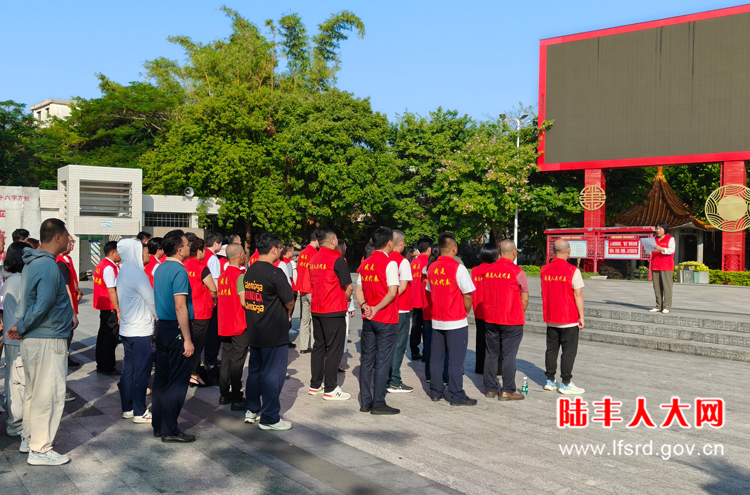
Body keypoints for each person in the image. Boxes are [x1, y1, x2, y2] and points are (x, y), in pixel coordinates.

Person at [10, 219, 75, 465]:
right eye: (66, 235)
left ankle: (30, 440)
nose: (68, 240)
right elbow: (43, 304)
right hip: (48, 338)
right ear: (57, 237)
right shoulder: (48, 265)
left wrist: (22, 325)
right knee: (48, 395)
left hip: (36, 338)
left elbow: (32, 302)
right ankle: (40, 449)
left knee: (34, 393)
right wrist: (22, 326)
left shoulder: (32, 262)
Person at [240, 233, 295, 430]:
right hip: (274, 332)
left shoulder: (250, 271)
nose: (281, 251)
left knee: (255, 372)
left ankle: (252, 409)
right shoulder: (275, 272)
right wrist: (288, 313)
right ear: (273, 249)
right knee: (273, 375)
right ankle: (270, 418)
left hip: (256, 330)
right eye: (280, 248)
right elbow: (289, 301)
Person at [152, 229, 196, 442]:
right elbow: (180, 306)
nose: (189, 247)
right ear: (179, 250)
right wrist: (187, 338)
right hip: (176, 329)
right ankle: (170, 429)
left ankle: (159, 425)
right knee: (177, 381)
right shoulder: (179, 271)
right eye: (187, 244)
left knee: (162, 378)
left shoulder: (160, 268)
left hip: (162, 328)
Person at [426, 233, 476, 406]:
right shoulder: (458, 268)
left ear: (440, 248)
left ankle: (435, 391)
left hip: (437, 319)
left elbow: (429, 292)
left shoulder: (431, 268)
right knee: (455, 359)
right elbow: (467, 295)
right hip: (456, 320)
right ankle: (456, 394)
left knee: (436, 358)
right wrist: (465, 311)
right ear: (454, 249)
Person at [356, 227, 401, 415]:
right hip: (386, 318)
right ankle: (379, 402)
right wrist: (376, 308)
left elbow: (358, 289)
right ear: (390, 243)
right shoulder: (390, 263)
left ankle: (366, 401)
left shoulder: (365, 263)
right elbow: (392, 292)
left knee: (367, 360)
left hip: (369, 319)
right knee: (383, 361)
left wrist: (365, 305)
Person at [308, 227, 353, 401]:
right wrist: (346, 300)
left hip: (317, 308)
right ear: (333, 241)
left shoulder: (313, 259)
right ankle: (331, 388)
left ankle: (315, 385)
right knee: (334, 349)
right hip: (333, 309)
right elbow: (348, 287)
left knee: (319, 347)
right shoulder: (337, 260)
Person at [116, 238, 157, 424]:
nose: (148, 254)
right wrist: (160, 318)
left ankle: (128, 408)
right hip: (141, 330)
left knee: (129, 369)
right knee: (142, 371)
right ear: (136, 253)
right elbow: (152, 301)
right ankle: (140, 411)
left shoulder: (123, 271)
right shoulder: (139, 275)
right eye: (145, 251)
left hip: (127, 329)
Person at [482, 241, 529, 401]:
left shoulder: (488, 270)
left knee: (491, 354)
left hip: (491, 318)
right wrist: (519, 311)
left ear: (499, 252)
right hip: (511, 319)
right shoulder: (518, 272)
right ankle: (507, 390)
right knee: (509, 355)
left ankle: (490, 389)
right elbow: (525, 298)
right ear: (514, 253)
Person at [541, 239, 586, 395]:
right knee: (568, 352)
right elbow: (578, 294)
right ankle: (566, 383)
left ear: (553, 252)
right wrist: (581, 316)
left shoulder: (544, 270)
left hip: (551, 316)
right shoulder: (573, 270)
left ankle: (550, 380)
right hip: (568, 317)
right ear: (568, 251)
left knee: (551, 350)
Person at [184, 235, 218, 387]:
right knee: (198, 345)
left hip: (186, 310)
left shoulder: (183, 265)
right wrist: (214, 299)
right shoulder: (201, 268)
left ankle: (188, 371)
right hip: (201, 311)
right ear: (198, 251)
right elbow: (213, 289)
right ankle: (193, 373)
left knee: (188, 342)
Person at [218, 244, 249, 409]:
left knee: (226, 358)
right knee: (237, 360)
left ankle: (224, 394)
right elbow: (243, 301)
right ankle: (237, 397)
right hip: (238, 324)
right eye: (243, 253)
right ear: (239, 255)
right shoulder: (239, 276)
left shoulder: (222, 276)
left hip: (225, 323)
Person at [2, 242, 28, 437]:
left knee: (14, 381)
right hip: (16, 338)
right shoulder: (19, 280)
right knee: (17, 383)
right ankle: (16, 424)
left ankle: (15, 422)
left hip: (12, 338)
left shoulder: (11, 278)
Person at [386, 230, 414, 394]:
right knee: (399, 345)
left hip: (386, 308)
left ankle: (385, 378)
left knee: (387, 345)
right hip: (401, 308)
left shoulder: (385, 258)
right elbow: (402, 287)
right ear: (401, 244)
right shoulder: (403, 262)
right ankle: (394, 381)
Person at [472, 243, 500, 375]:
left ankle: (479, 367)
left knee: (480, 338)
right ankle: (495, 368)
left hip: (478, 309)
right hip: (492, 309)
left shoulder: (475, 270)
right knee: (494, 341)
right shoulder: (495, 270)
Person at [423, 245, 449, 386]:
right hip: (440, 312)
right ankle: (445, 375)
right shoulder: (442, 270)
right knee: (444, 347)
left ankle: (429, 374)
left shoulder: (426, 270)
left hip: (428, 311)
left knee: (429, 345)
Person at [94, 241, 121, 374]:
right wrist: (118, 310)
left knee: (103, 335)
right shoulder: (109, 268)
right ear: (113, 252)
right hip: (110, 307)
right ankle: (108, 366)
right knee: (110, 337)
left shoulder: (101, 265)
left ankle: (101, 364)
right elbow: (111, 290)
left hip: (105, 306)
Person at [56, 235, 82, 368]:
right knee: (68, 329)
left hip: (71, 298)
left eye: (73, 242)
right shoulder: (59, 262)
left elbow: (71, 279)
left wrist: (77, 290)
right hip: (66, 302)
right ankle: (64, 355)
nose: (72, 244)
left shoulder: (68, 259)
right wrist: (73, 312)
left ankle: (66, 353)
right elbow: (66, 287)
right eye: (69, 242)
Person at [295, 231, 319, 353]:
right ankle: (315, 345)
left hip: (303, 289)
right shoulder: (315, 254)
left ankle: (303, 347)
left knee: (304, 319)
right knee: (314, 319)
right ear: (316, 240)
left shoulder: (302, 253)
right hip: (312, 289)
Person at [409, 237, 432, 361]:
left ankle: (414, 351)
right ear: (429, 249)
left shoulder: (413, 263)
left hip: (415, 299)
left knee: (415, 326)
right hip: (426, 301)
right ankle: (426, 353)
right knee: (427, 327)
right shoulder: (430, 262)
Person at [203, 232, 223, 366]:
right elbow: (215, 282)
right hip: (210, 298)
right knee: (213, 331)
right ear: (215, 243)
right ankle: (210, 358)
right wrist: (216, 299)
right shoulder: (213, 259)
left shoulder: (202, 254)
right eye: (220, 244)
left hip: (201, 297)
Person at [650, 221, 675, 314]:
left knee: (667, 287)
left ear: (665, 229)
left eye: (660, 228)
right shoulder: (654, 239)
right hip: (655, 265)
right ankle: (658, 305)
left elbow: (671, 250)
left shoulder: (670, 239)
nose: (658, 230)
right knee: (657, 287)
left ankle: (667, 306)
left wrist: (661, 249)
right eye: (657, 228)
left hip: (666, 266)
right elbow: (651, 250)